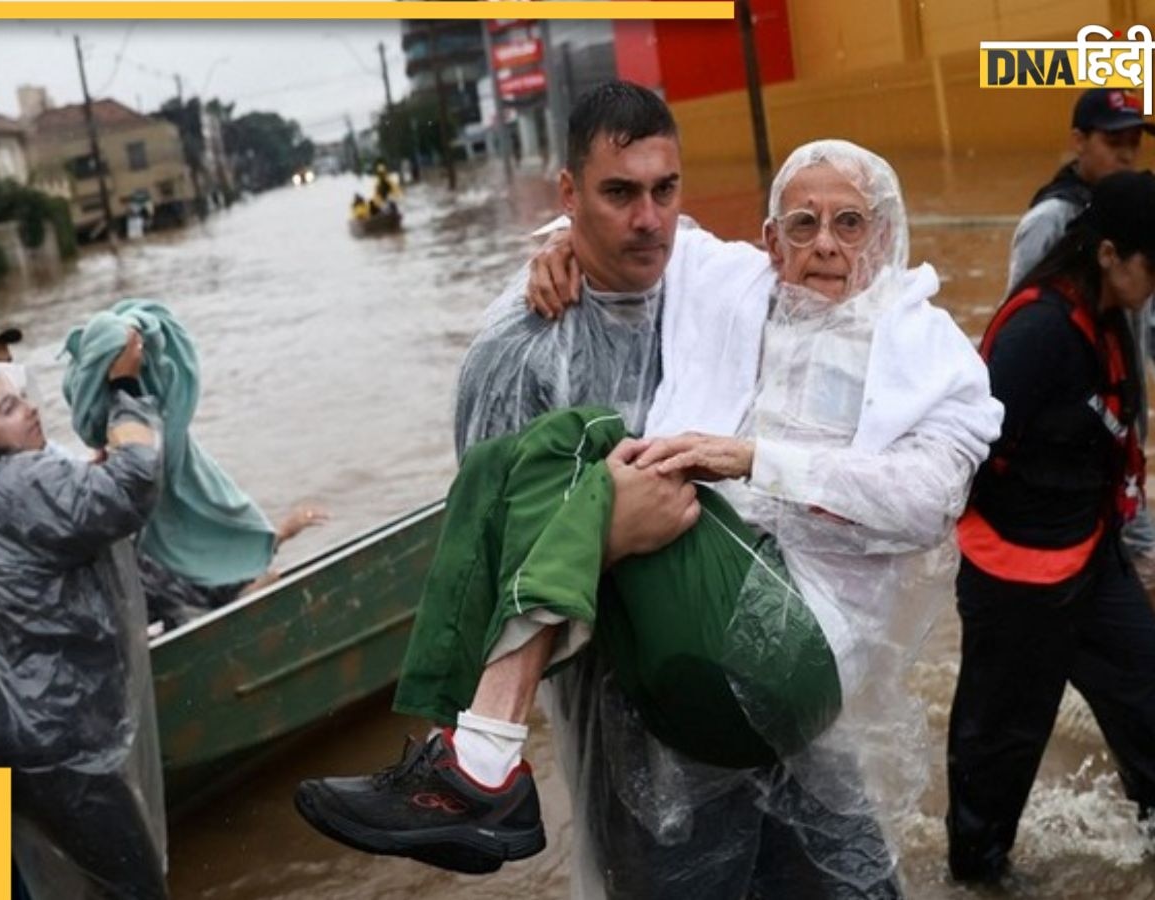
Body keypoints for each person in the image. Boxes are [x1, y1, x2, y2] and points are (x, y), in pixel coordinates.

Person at [297, 82, 1001, 897]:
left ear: (885, 235)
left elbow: (931, 495)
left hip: (786, 660)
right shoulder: (720, 294)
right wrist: (608, 532)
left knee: (587, 446)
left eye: (851, 224)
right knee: (554, 454)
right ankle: (475, 753)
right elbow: (494, 537)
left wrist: (751, 460)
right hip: (652, 694)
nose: (827, 247)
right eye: (803, 225)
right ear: (773, 239)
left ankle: (478, 756)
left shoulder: (930, 351)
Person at [946, 169, 1155, 884]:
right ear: (1109, 255)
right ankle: (976, 877)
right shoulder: (1037, 331)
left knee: (1147, 693)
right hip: (1018, 576)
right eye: (1152, 264)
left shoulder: (1111, 313)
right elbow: (964, 451)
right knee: (999, 748)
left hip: (1090, 557)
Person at [0, 331, 169, 899]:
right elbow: (136, 482)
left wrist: (77, 481)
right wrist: (124, 387)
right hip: (56, 744)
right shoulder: (18, 480)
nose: (32, 408)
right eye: (8, 407)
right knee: (134, 889)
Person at [62, 299, 327, 631]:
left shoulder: (163, 478)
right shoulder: (128, 501)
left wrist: (281, 534)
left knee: (265, 581)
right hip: (189, 624)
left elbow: (214, 553)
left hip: (186, 612)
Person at [1006, 88, 1155, 564]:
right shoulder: (1050, 222)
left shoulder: (1141, 217)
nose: (1128, 154)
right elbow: (1022, 331)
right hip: (1069, 450)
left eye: (1135, 141)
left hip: (1120, 436)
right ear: (1078, 141)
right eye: (1115, 142)